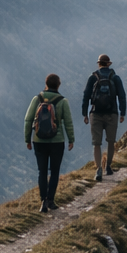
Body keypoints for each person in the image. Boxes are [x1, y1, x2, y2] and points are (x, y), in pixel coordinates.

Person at [24, 72, 74, 212]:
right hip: (57, 142)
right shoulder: (63, 101)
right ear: (58, 85)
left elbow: (28, 120)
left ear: (46, 84)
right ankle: (51, 200)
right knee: (55, 171)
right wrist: (71, 139)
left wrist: (28, 139)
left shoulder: (37, 99)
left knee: (42, 171)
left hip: (39, 140)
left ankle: (43, 201)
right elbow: (68, 122)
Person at [81, 52, 126, 181]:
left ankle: (98, 169)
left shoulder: (93, 77)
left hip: (95, 114)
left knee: (97, 143)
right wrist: (122, 113)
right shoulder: (115, 78)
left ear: (99, 64)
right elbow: (122, 96)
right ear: (109, 64)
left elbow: (86, 96)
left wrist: (85, 113)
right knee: (111, 142)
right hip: (112, 113)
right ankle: (108, 167)